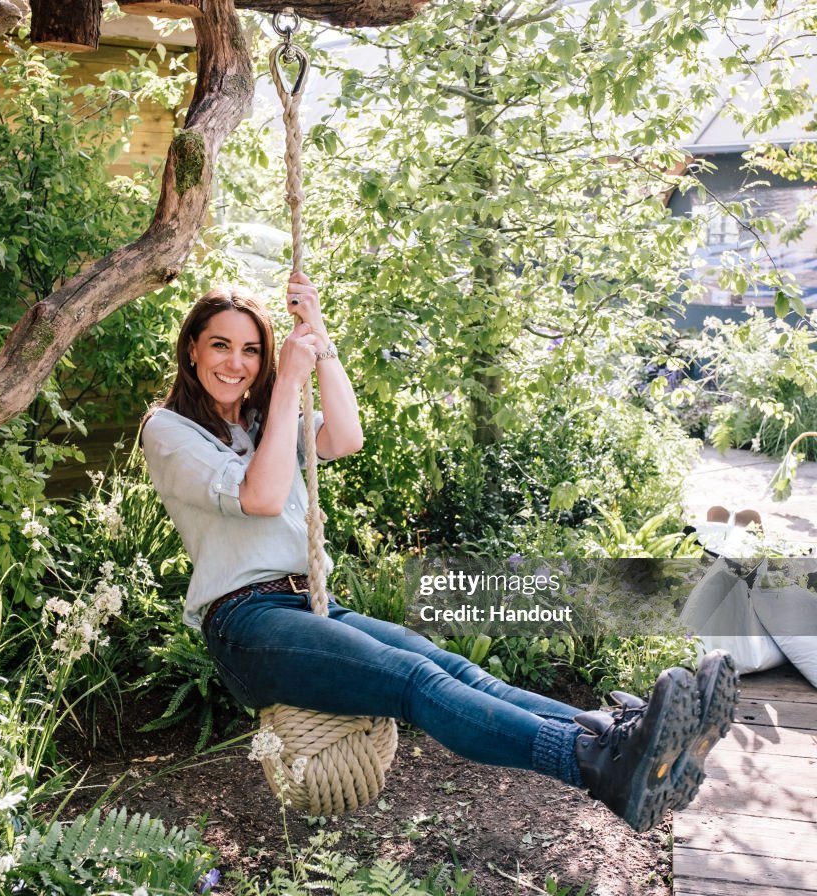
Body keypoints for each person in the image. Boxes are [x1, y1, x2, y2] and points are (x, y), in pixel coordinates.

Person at [140, 273, 738, 832]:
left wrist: (319, 341)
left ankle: (618, 736)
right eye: (221, 346)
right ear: (191, 349)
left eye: (251, 351)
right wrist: (289, 382)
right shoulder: (167, 430)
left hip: (307, 605)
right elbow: (263, 497)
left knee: (451, 666)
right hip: (247, 622)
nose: (236, 363)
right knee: (414, 680)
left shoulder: (257, 423)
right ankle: (593, 764)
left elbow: (345, 437)